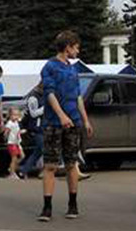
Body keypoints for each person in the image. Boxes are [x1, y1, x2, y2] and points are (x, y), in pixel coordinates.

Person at [39, 30, 93, 222]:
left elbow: (78, 96)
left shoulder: (73, 69)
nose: (78, 51)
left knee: (71, 164)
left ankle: (73, 204)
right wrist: (61, 116)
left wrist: (85, 119)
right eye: (76, 47)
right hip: (53, 123)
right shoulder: (50, 67)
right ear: (67, 47)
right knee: (50, 165)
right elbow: (49, 94)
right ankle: (47, 207)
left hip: (74, 123)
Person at [18, 82, 45, 178]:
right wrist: (44, 109)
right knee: (41, 149)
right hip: (35, 128)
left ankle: (23, 169)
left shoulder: (45, 95)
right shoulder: (33, 98)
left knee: (38, 151)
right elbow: (33, 113)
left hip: (43, 127)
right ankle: (23, 168)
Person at [4, 107, 24, 179]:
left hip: (17, 142)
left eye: (17, 115)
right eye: (13, 115)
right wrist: (6, 138)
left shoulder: (16, 123)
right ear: (10, 115)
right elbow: (6, 132)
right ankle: (12, 173)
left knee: (22, 156)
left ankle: (12, 168)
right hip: (11, 143)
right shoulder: (10, 123)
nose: (15, 117)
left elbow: (17, 131)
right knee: (14, 158)